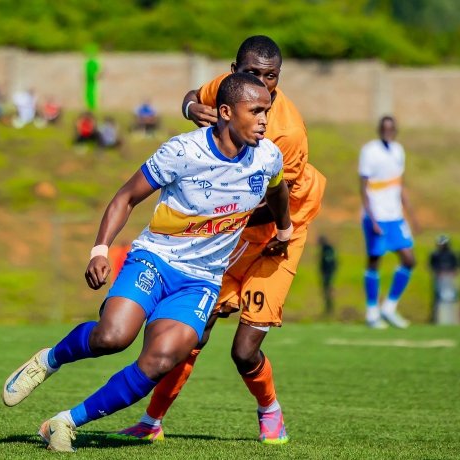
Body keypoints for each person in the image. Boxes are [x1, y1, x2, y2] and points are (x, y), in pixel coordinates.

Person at [1, 72, 291, 452]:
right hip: (155, 260)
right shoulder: (183, 152)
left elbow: (279, 190)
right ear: (225, 112)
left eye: (266, 111)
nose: (264, 120)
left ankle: (65, 422)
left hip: (201, 281)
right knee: (112, 337)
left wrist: (284, 228)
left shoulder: (267, 156)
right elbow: (126, 197)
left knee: (161, 360)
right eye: (255, 111)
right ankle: (48, 360)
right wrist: (100, 249)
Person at [115, 35, 325, 445]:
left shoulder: (287, 133)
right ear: (234, 72)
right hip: (233, 231)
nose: (261, 82)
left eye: (270, 76)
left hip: (279, 233)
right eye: (251, 73)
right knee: (195, 330)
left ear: (279, 77)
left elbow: (278, 203)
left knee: (244, 350)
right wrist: (190, 108)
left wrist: (212, 215)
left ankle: (270, 411)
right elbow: (194, 97)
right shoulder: (230, 91)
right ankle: (151, 422)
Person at [359, 115, 417, 329]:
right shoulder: (370, 151)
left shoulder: (398, 151)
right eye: (384, 128)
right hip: (376, 215)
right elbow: (363, 187)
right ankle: (372, 311)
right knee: (375, 260)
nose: (388, 132)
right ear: (379, 130)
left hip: (395, 217)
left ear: (395, 130)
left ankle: (389, 308)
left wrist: (411, 215)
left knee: (409, 259)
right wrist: (372, 219)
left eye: (391, 128)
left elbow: (399, 185)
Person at [429, 235, 459, 324]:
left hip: (449, 280)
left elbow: (456, 266)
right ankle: (438, 318)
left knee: (451, 297)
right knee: (439, 297)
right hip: (439, 279)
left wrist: (451, 273)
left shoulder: (452, 254)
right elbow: (432, 266)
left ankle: (452, 318)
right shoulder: (435, 254)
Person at [318, 235, 337, 316]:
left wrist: (326, 272)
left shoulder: (326, 248)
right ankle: (328, 307)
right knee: (326, 289)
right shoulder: (327, 248)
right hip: (328, 272)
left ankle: (329, 307)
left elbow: (328, 261)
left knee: (328, 289)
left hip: (328, 273)